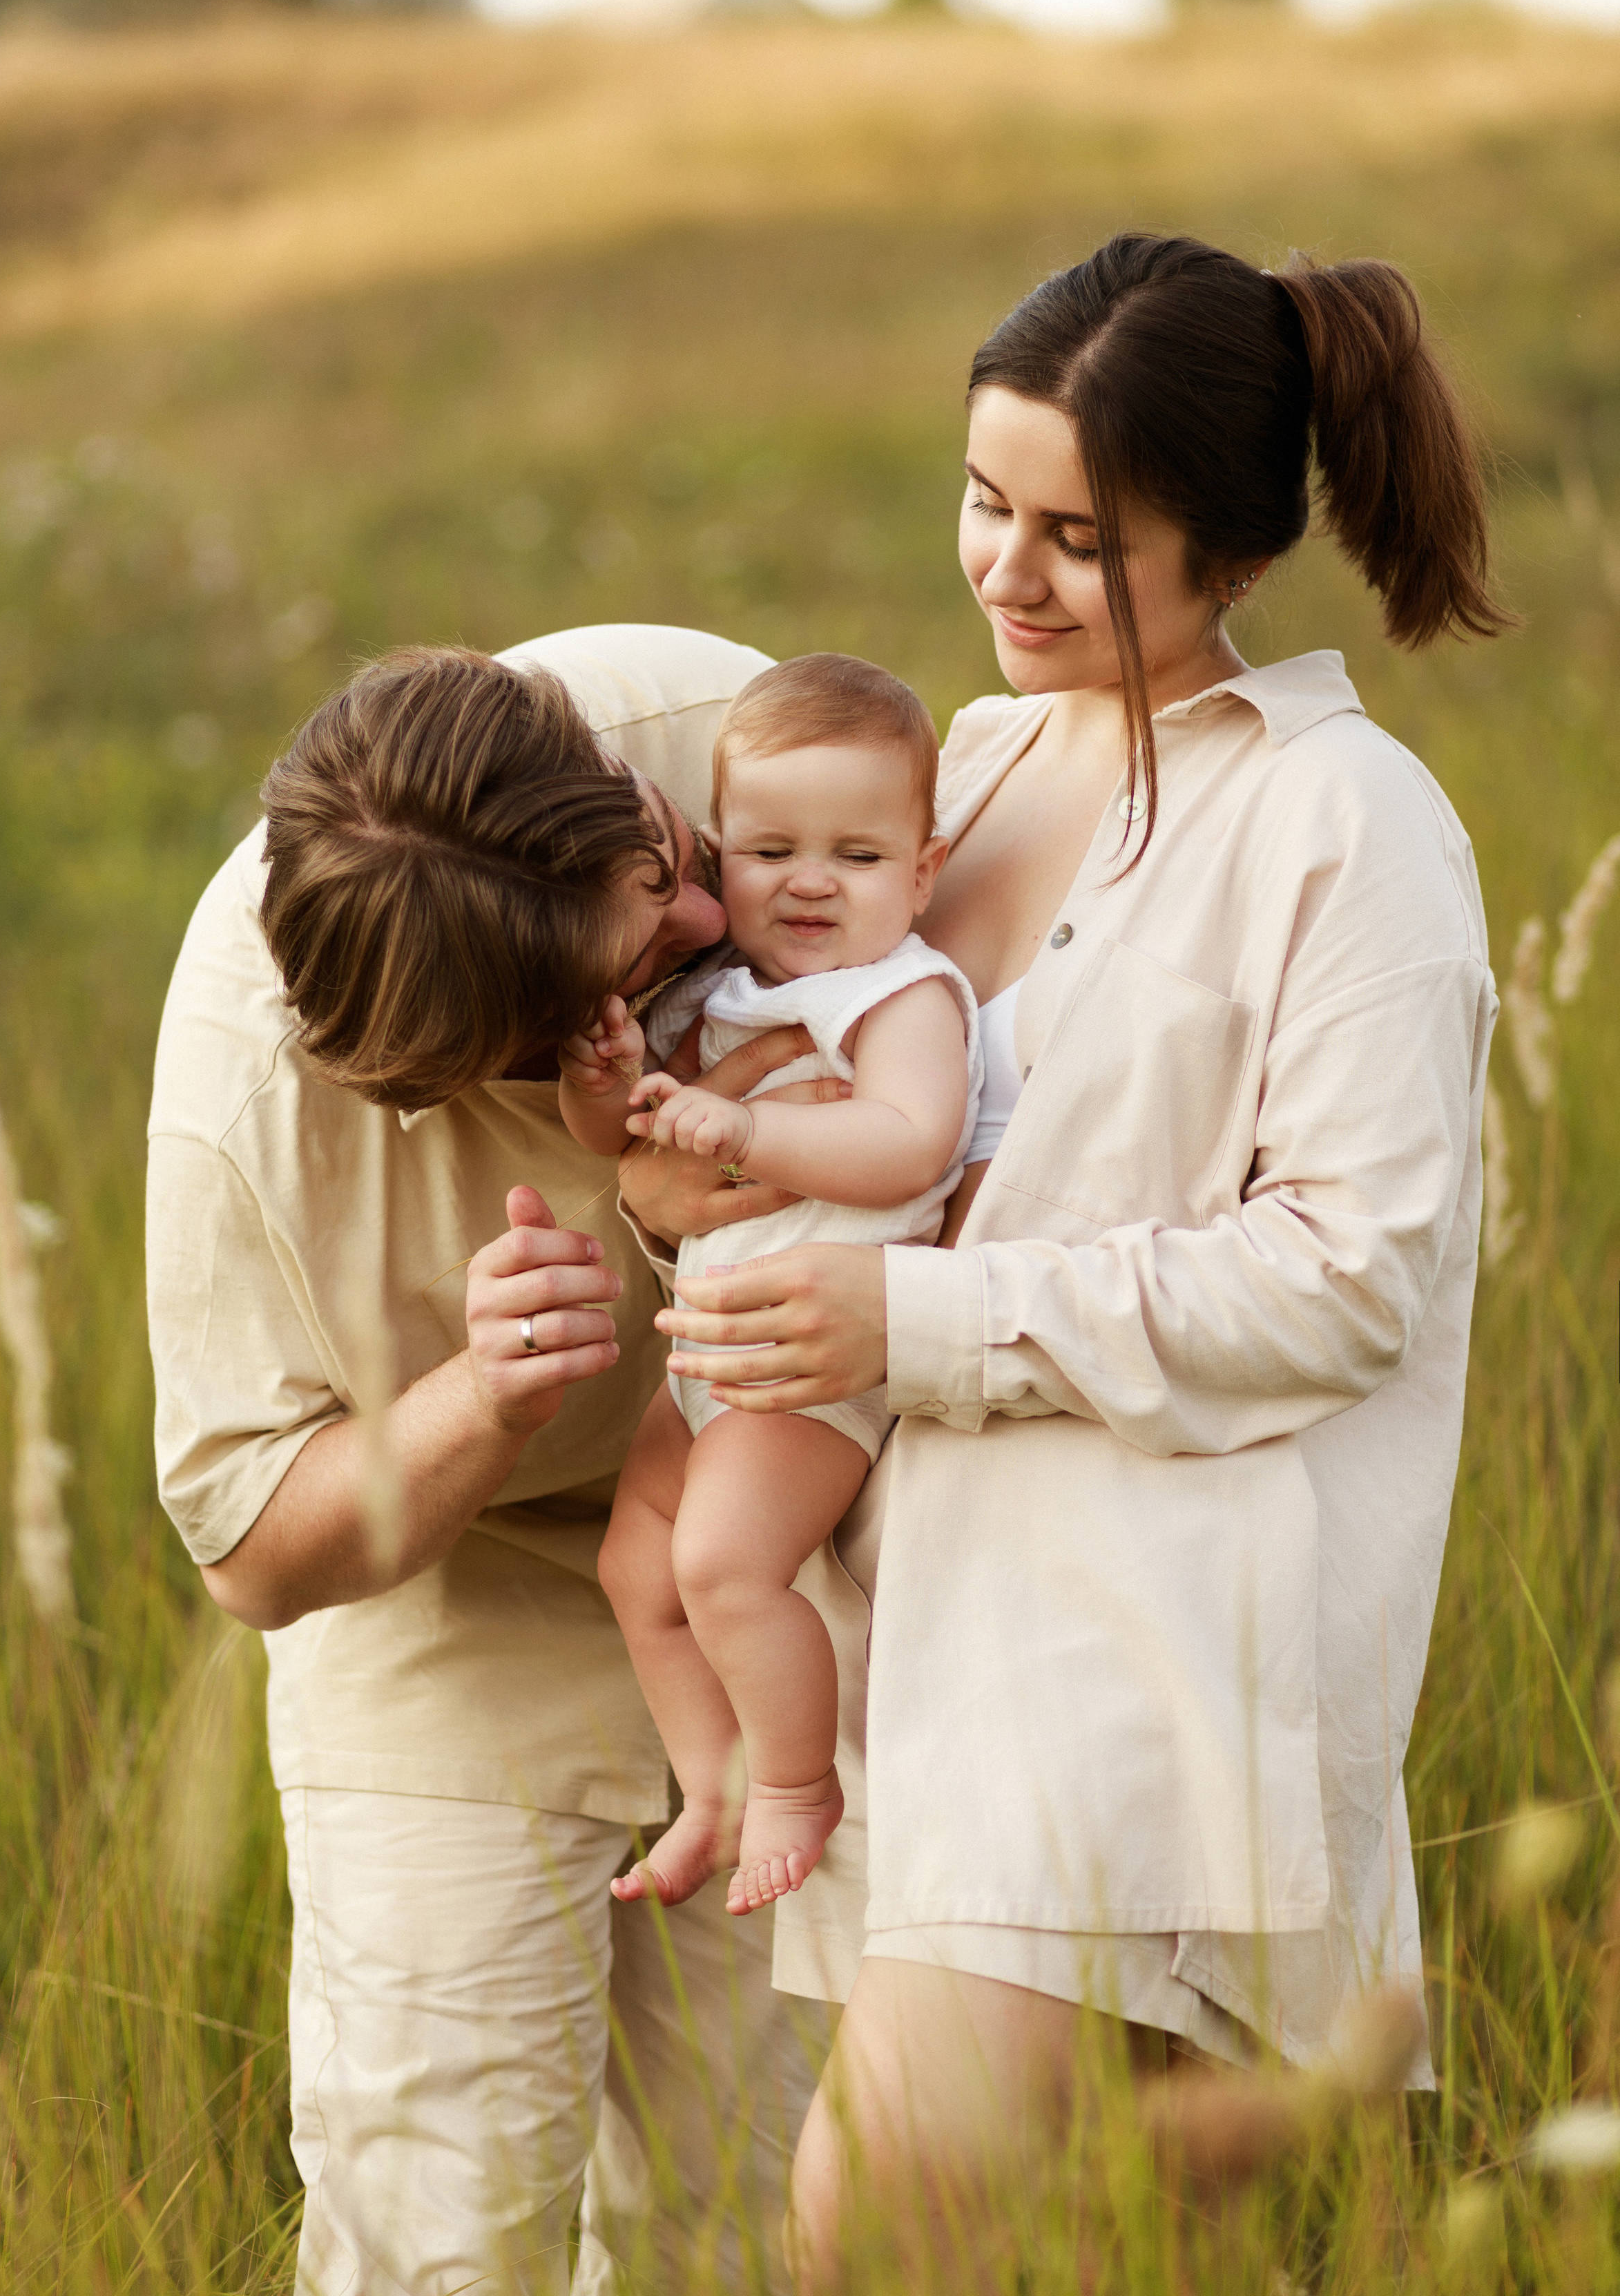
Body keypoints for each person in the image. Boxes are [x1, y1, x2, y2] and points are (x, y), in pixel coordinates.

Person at [617, 236, 1508, 2280]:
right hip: (921, 1632)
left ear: (1233, 546)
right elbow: (843, 1094)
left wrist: (908, 1319)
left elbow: (1350, 1276)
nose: (1004, 572)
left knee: (865, 2233)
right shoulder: (982, 765)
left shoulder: (1348, 824)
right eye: (983, 502)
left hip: (1145, 1661)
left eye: (1078, 537)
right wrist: (693, 1182)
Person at [146, 624, 831, 2296]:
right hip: (442, 1612)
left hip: (769, 1581)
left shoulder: (715, 739)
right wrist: (480, 1398)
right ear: (466, 1068)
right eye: (633, 967)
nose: (705, 918)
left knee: (744, 2223)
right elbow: (252, 1559)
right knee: (441, 2230)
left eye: (660, 861)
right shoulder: (250, 1100)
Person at [561, 656, 981, 1918]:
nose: (809, 882)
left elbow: (911, 1142)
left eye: (856, 857)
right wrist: (611, 1080)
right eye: (769, 850)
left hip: (809, 1368)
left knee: (727, 1568)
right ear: (717, 858)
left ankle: (797, 1785)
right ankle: (713, 1787)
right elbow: (624, 1148)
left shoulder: (896, 993)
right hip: (710, 1361)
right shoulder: (722, 992)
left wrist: (739, 1130)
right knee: (638, 1572)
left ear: (920, 872)